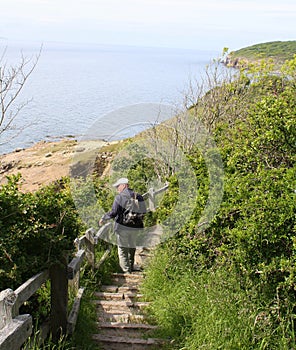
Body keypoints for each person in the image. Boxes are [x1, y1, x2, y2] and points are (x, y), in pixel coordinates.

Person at [99, 177, 146, 273]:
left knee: (122, 249)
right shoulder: (138, 196)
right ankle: (131, 266)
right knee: (132, 247)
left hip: (122, 227)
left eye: (118, 186)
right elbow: (144, 211)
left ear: (124, 185)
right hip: (135, 227)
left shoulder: (119, 197)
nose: (117, 189)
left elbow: (114, 212)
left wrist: (104, 218)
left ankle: (126, 271)